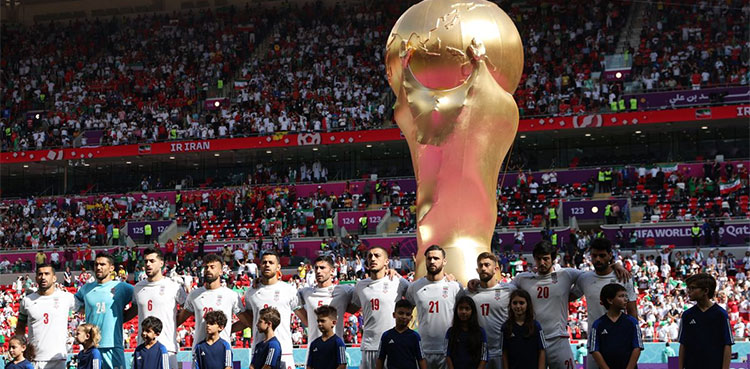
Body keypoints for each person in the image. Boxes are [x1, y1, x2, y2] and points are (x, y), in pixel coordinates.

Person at [572, 238, 638, 369]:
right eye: (594, 255)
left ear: (610, 256)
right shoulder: (584, 278)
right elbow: (566, 296)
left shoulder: (623, 278)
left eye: (602, 256)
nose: (598, 259)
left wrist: (634, 339)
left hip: (621, 342)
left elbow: (632, 311)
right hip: (595, 343)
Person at [349, 246, 410, 369]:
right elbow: (351, 308)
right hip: (369, 345)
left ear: (387, 261)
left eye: (377, 256)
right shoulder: (360, 285)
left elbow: (415, 297)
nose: (373, 258)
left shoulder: (397, 281)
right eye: (370, 256)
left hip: (394, 344)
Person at [235, 251, 299, 369]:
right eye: (264, 262)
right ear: (260, 266)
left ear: (278, 266)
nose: (267, 265)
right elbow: (250, 320)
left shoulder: (289, 290)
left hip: (284, 352)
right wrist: (228, 329)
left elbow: (304, 316)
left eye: (271, 262)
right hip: (259, 351)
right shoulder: (251, 292)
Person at [126, 247, 187, 368]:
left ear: (161, 263)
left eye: (152, 261)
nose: (148, 264)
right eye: (146, 261)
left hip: (167, 348)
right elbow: (134, 310)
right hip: (142, 348)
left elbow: (188, 309)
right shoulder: (138, 287)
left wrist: (175, 323)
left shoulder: (173, 286)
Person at [405, 245, 462, 369]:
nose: (432, 261)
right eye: (429, 258)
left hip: (448, 349)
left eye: (436, 258)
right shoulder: (415, 287)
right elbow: (405, 311)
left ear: (444, 261)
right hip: (423, 349)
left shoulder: (455, 287)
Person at [74, 252, 134, 369]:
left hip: (113, 344)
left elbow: (139, 301)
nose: (99, 267)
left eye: (102, 264)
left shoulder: (122, 287)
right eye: (96, 264)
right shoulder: (86, 289)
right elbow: (75, 302)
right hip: (91, 347)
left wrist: (123, 318)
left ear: (111, 268)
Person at [16, 263, 75, 369]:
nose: (43, 277)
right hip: (35, 358)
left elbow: (86, 307)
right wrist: (22, 347)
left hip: (59, 358)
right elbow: (20, 327)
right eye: (40, 274)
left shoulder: (67, 298)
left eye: (47, 274)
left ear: (54, 278)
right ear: (36, 278)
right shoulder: (27, 301)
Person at [177, 254, 243, 348]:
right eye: (206, 267)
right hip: (199, 351)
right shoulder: (194, 295)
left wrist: (227, 329)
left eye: (212, 267)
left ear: (220, 271)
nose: (208, 269)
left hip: (222, 351)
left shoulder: (231, 295)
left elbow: (246, 321)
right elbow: (179, 319)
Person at [465, 252, 516, 369]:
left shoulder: (509, 290)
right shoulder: (468, 292)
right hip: (478, 352)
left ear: (496, 269)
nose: (483, 268)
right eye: (480, 265)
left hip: (502, 351)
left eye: (487, 265)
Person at [678, 273, 734, 369]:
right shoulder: (687, 315)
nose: (689, 291)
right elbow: (683, 344)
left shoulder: (721, 314)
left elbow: (727, 344)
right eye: (688, 288)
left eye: (692, 288)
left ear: (705, 291)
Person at [296, 255, 354, 344]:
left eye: (322, 268)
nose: (318, 271)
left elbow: (359, 302)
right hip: (314, 349)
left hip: (335, 348)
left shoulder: (343, 291)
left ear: (332, 271)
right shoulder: (305, 293)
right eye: (316, 268)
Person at [588, 284, 643, 369]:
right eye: (621, 296)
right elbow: (594, 350)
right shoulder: (598, 324)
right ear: (610, 300)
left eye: (626, 296)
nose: (625, 299)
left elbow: (637, 347)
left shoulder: (632, 322)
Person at [376, 299, 427, 369]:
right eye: (401, 313)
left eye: (408, 314)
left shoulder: (414, 336)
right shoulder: (386, 335)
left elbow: (421, 359)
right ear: (394, 315)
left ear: (411, 317)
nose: (404, 317)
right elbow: (380, 359)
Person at [501, 290, 546, 369]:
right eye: (515, 303)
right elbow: (504, 352)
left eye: (521, 303)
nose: (518, 306)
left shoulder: (536, 326)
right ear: (510, 305)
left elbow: (542, 350)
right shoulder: (505, 327)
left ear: (527, 304)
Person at [445, 296, 488, 369]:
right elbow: (447, 354)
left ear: (472, 311)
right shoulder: (451, 332)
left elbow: (484, 357)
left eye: (467, 309)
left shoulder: (480, 332)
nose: (463, 312)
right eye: (461, 308)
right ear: (457, 310)